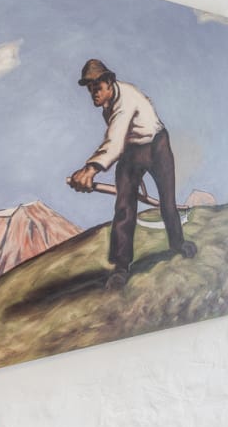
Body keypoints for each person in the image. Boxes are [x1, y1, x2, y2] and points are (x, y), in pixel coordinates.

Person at [68, 58, 193, 291]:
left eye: (97, 87)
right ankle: (121, 267)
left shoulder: (125, 100)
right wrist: (90, 170)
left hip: (157, 146)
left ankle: (178, 244)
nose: (94, 93)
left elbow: (114, 142)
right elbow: (118, 140)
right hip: (131, 150)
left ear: (109, 82)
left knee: (167, 201)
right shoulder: (108, 102)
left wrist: (89, 170)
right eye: (90, 88)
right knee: (124, 207)